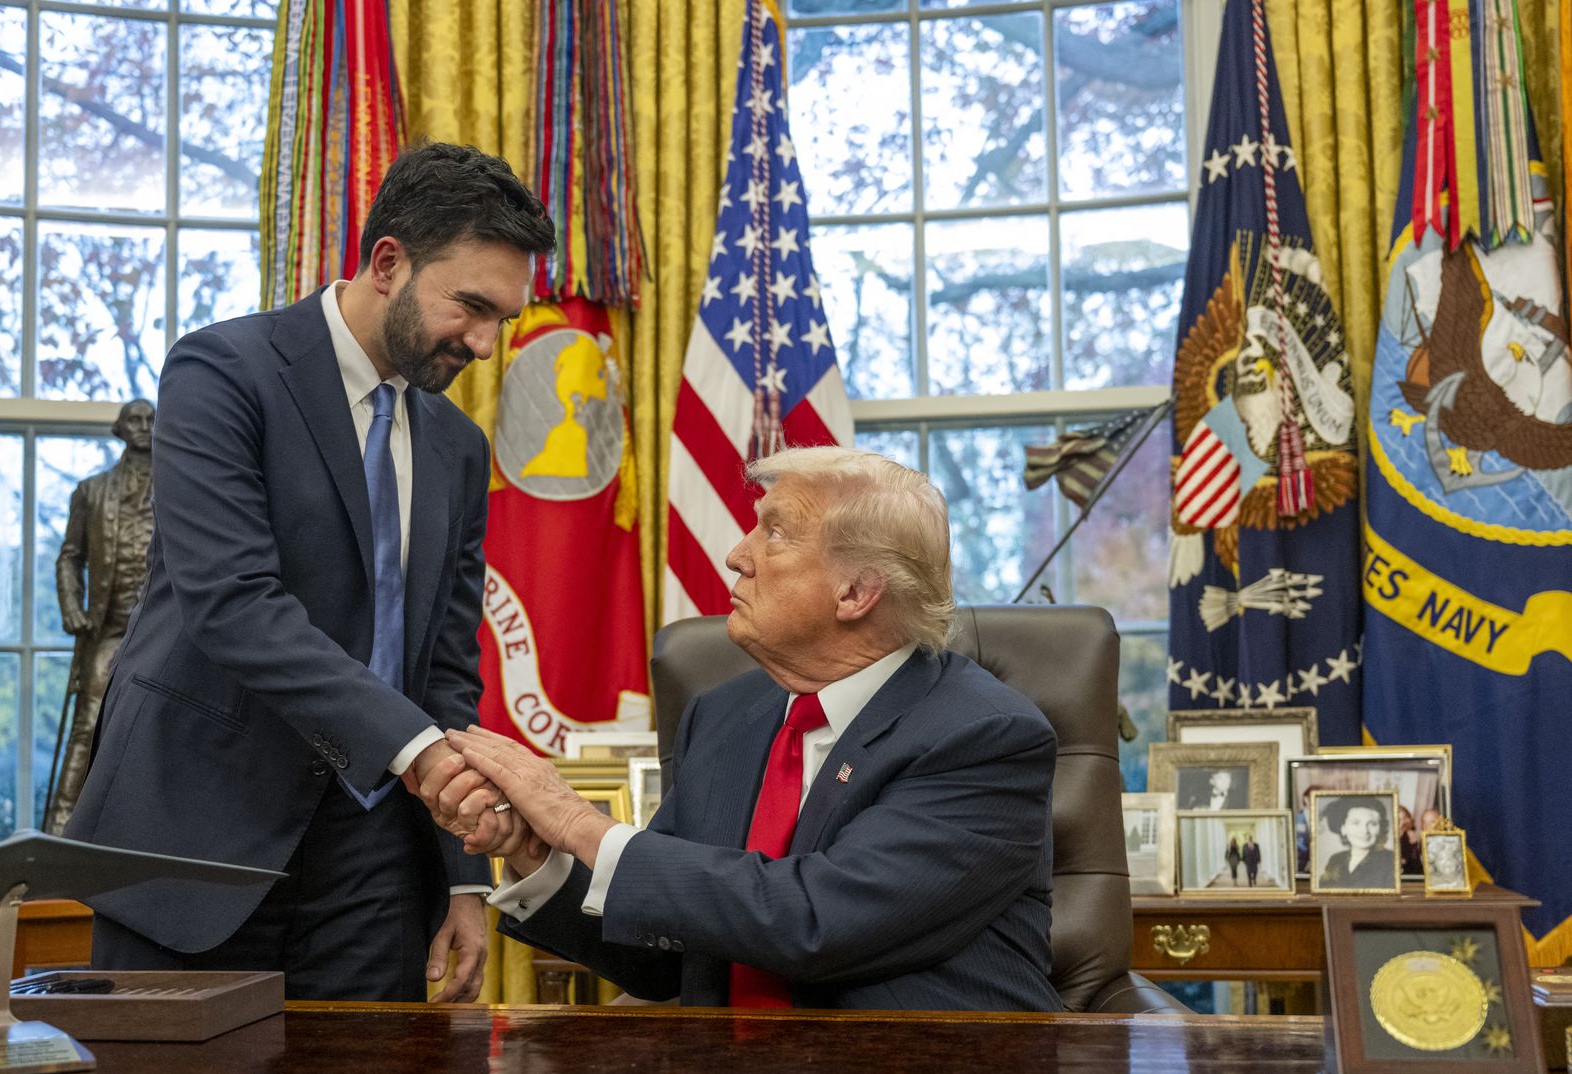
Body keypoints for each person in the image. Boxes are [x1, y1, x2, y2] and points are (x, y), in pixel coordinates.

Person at [63, 143, 554, 1002]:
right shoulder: (223, 372)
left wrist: (462, 879)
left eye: (500, 320)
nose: (483, 343)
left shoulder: (458, 448)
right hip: (195, 836)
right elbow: (234, 604)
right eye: (471, 306)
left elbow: (444, 663)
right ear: (388, 262)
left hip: (375, 862)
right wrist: (421, 754)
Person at [421, 446, 1065, 1011]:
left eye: (775, 534)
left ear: (856, 592)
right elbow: (663, 957)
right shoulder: (725, 715)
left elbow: (819, 923)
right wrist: (539, 853)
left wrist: (581, 824)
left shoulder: (984, 736)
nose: (736, 554)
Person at [44, 399, 155, 835]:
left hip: (169, 634)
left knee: (163, 733)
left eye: (151, 419)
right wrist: (71, 608)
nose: (144, 427)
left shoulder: (183, 488)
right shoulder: (91, 492)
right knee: (88, 725)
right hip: (109, 631)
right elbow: (69, 557)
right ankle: (61, 832)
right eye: (135, 420)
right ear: (120, 429)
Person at [1317, 796, 1395, 889]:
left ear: (1380, 829)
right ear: (1343, 828)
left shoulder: (1390, 861)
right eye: (1356, 823)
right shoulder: (1336, 859)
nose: (1364, 830)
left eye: (1372, 824)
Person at [1396, 805, 1419, 876]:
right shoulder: (1384, 835)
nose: (1402, 822)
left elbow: (1413, 861)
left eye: (1404, 818)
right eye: (1398, 819)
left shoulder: (1410, 836)